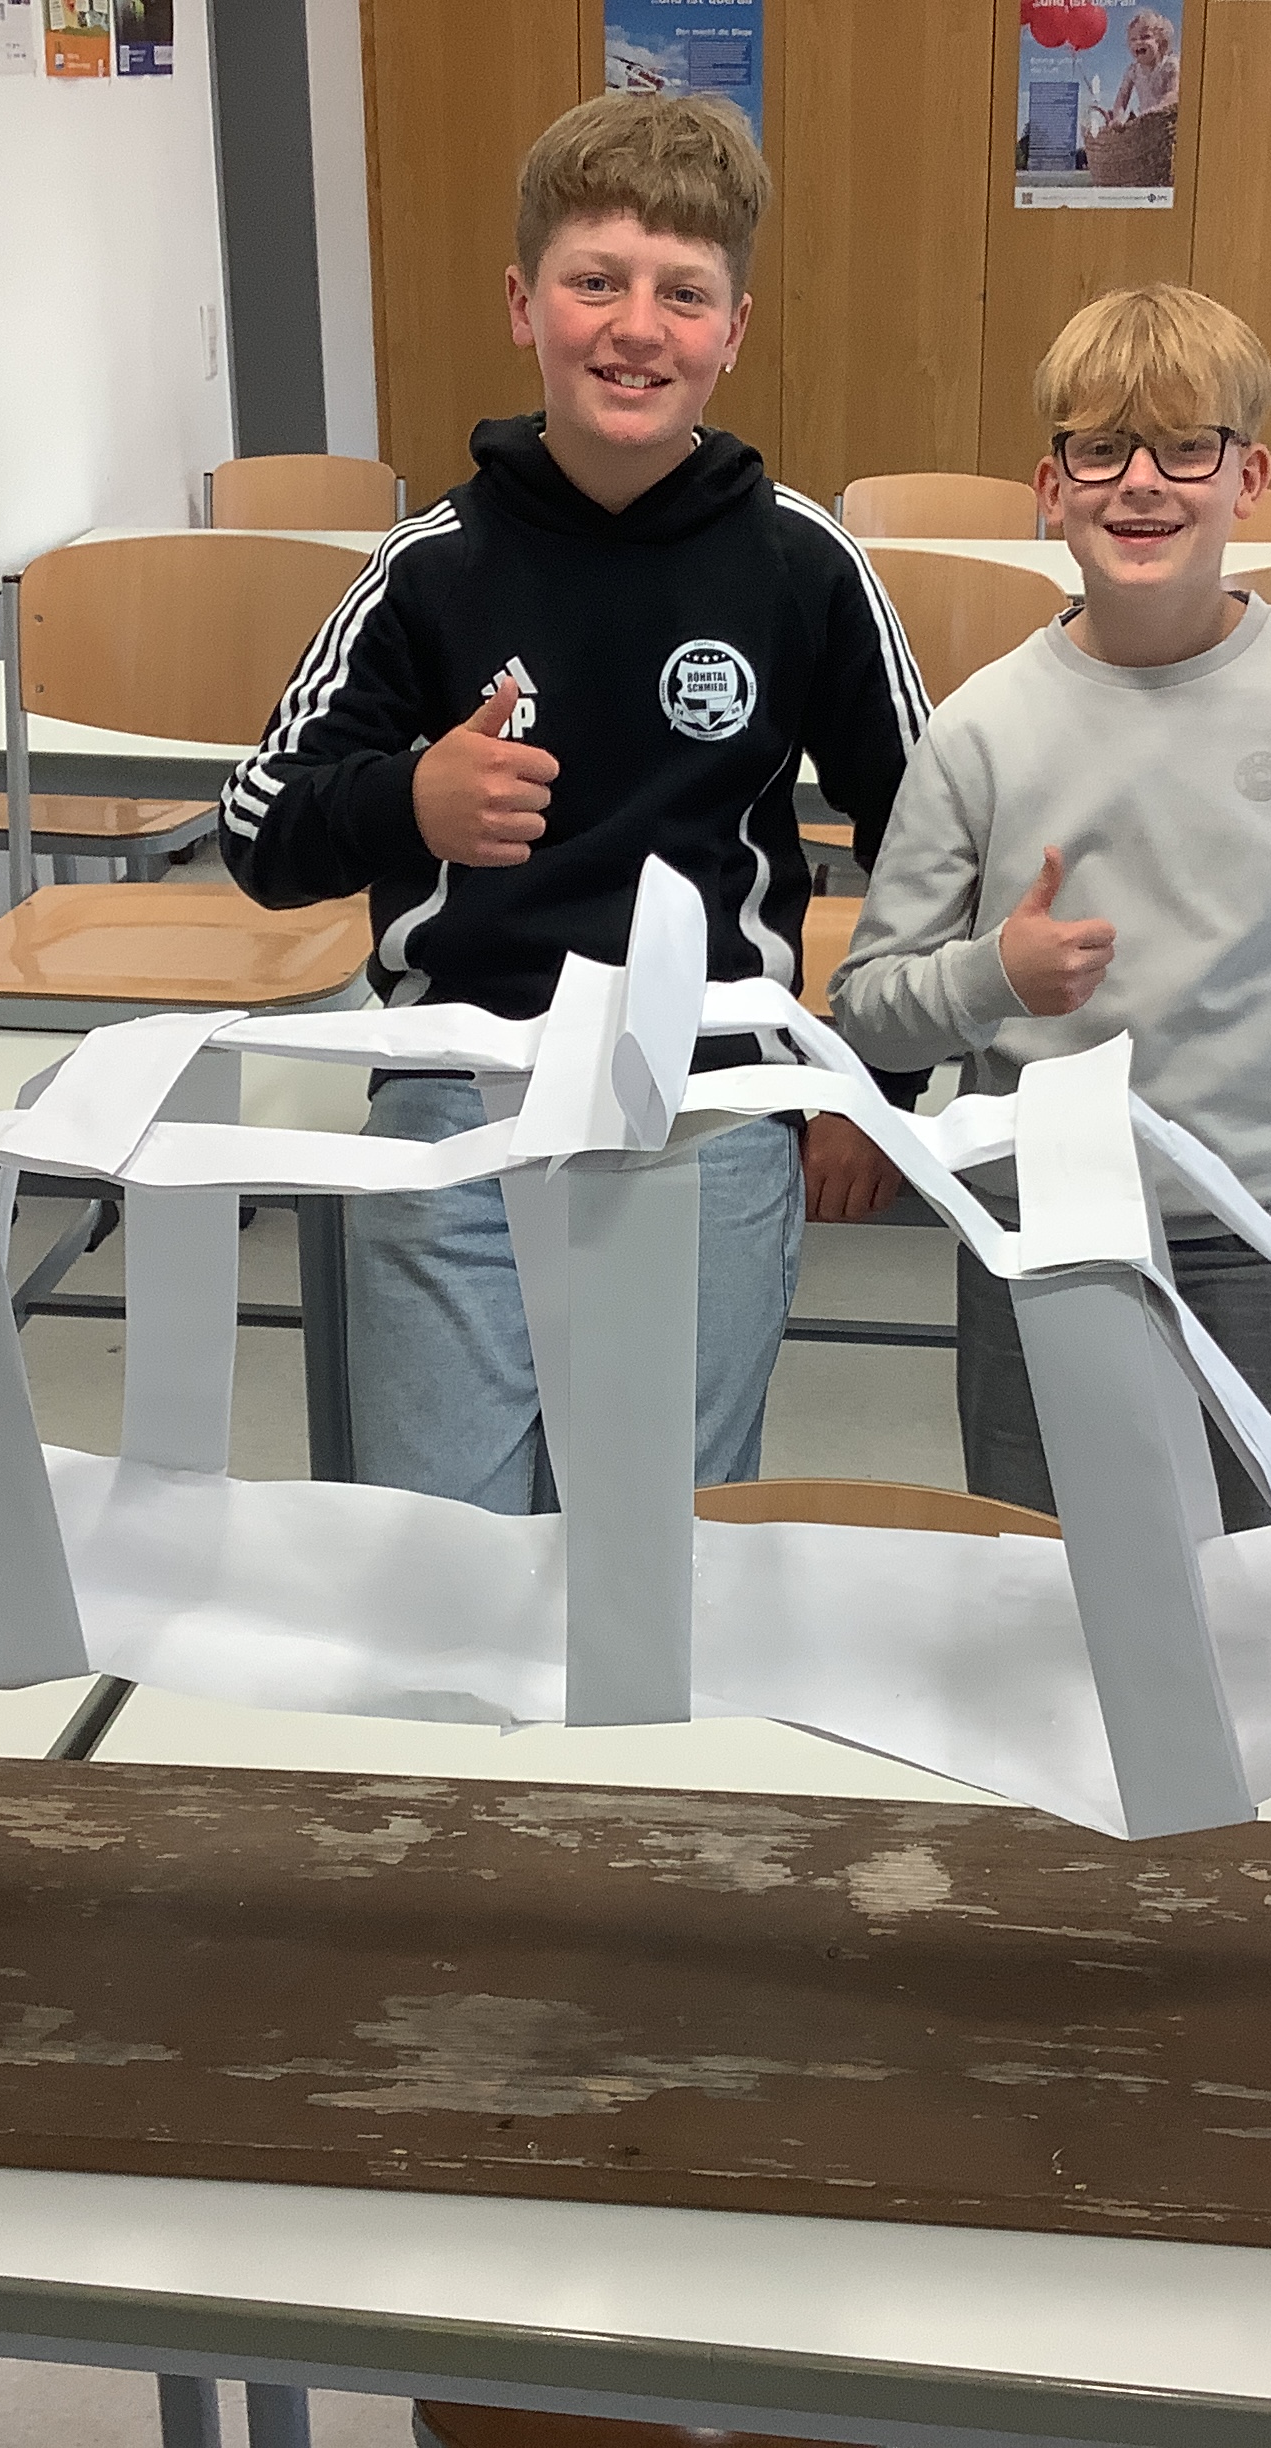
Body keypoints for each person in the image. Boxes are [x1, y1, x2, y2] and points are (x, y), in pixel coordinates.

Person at [220, 92, 927, 1516]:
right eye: (594, 281)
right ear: (521, 304)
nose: (636, 327)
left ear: (734, 329)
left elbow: (933, 838)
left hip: (713, 1107)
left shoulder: (804, 566)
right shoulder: (428, 569)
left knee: (656, 1547)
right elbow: (258, 830)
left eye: (683, 294)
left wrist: (878, 1094)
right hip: (460, 1099)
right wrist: (409, 801)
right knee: (442, 1544)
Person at [828, 284, 1271, 1529]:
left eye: (1184, 447)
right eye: (1101, 448)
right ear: (1051, 487)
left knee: (1253, 1575)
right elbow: (870, 1010)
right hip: (1036, 1226)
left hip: (1253, 1229)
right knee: (1040, 1563)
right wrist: (995, 978)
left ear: (1248, 477)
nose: (1140, 483)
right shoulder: (981, 727)